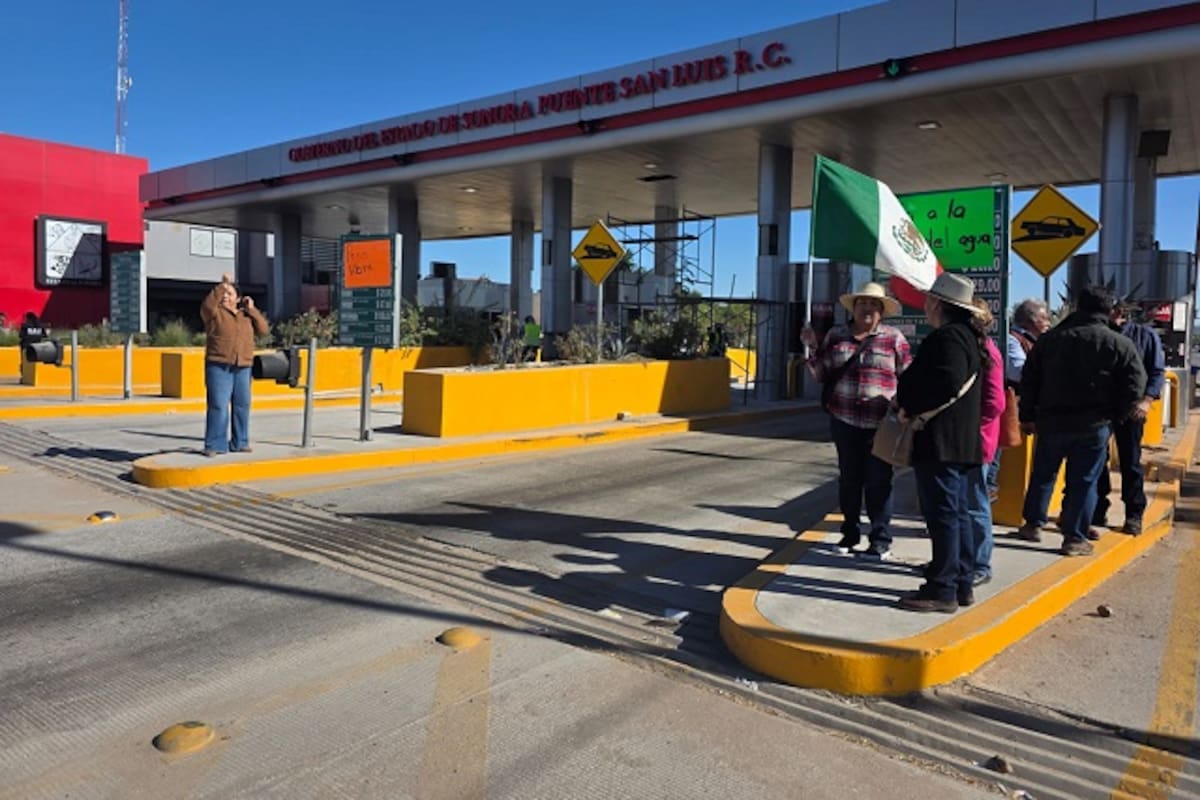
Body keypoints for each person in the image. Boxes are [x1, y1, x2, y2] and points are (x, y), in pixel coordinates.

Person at [1016, 285, 1145, 556]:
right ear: (1109, 311)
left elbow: (1030, 380)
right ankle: (1074, 538)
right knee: (1083, 481)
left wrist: (1027, 416)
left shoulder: (1049, 340)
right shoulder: (1119, 343)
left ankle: (1033, 524)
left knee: (1043, 474)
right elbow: (1135, 386)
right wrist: (1116, 416)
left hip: (1051, 421)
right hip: (1094, 424)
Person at [801, 282, 911, 559]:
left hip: (881, 424)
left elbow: (908, 376)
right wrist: (811, 348)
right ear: (854, 307)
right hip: (844, 419)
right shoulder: (836, 335)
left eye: (874, 305)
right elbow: (822, 373)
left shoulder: (894, 338)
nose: (867, 308)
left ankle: (880, 539)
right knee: (849, 480)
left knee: (879, 481)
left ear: (881, 311)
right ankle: (849, 534)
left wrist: (904, 408)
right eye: (863, 303)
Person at [895, 273, 984, 613]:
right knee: (956, 513)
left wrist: (911, 407)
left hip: (941, 441)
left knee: (943, 515)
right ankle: (960, 581)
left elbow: (946, 382)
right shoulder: (969, 337)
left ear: (937, 304)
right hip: (958, 442)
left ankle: (941, 589)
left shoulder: (947, 338)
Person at [1093, 299, 1165, 535]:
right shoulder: (1100, 335)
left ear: (1120, 312)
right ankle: (1097, 509)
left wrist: (1146, 401)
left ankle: (1134, 514)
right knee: (1097, 460)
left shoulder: (1145, 336)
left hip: (1132, 409)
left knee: (1130, 462)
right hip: (1102, 408)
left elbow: (1156, 372)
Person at [200, 273, 269, 457]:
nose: (225, 296)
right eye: (223, 293)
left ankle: (240, 442)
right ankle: (214, 444)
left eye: (230, 293)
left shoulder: (246, 316)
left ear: (238, 298)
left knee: (242, 405)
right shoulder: (214, 313)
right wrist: (223, 284)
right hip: (219, 365)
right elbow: (208, 304)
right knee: (218, 406)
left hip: (243, 366)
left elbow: (263, 330)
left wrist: (252, 309)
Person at [967, 299, 1006, 587]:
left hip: (977, 442)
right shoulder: (972, 350)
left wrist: (968, 427)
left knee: (975, 503)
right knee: (959, 504)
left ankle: (981, 564)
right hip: (965, 441)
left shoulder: (987, 353)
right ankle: (959, 558)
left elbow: (995, 403)